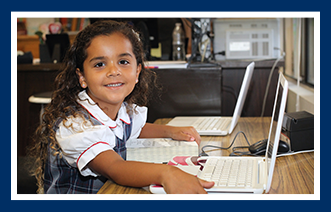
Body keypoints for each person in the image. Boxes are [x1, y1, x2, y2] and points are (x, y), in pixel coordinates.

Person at [28, 20, 214, 194]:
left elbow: (134, 129)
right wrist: (167, 173)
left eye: (123, 62)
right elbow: (115, 168)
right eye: (100, 64)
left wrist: (170, 131)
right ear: (82, 77)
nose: (114, 71)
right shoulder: (75, 124)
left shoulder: (122, 109)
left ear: (137, 71)